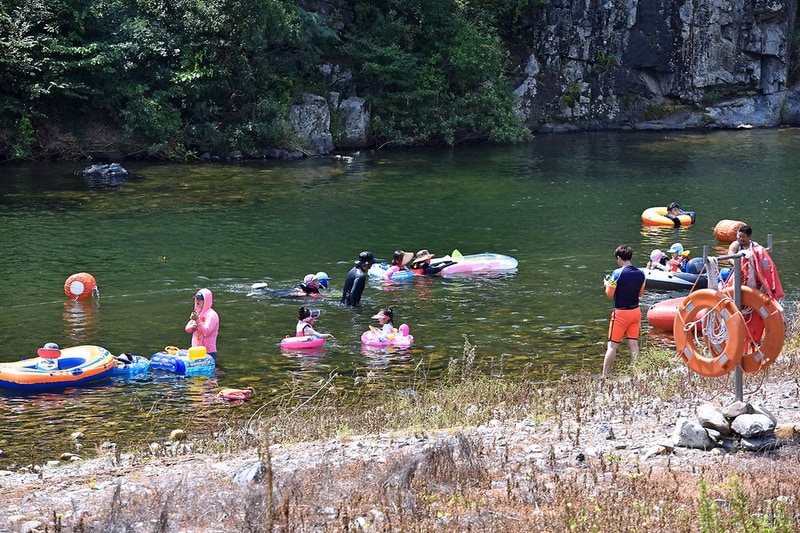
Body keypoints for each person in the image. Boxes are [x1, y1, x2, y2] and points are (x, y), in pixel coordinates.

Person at [602, 245, 646, 379]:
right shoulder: (641, 274)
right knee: (633, 344)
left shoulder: (616, 273)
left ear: (619, 258)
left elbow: (609, 294)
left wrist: (606, 284)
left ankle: (605, 376)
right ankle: (636, 374)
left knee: (612, 346)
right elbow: (640, 294)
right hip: (636, 312)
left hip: (621, 313)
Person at [725, 225, 784, 299]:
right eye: (739, 236)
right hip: (737, 273)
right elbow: (729, 258)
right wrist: (738, 265)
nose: (741, 239)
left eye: (743, 237)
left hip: (752, 274)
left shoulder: (755, 246)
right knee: (725, 273)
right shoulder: (736, 245)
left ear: (749, 237)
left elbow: (763, 260)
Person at [185, 288, 220, 357]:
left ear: (207, 300)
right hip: (195, 350)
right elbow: (187, 329)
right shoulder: (197, 313)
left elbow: (206, 332)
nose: (198, 300)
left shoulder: (212, 315)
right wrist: (192, 327)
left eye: (201, 299)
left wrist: (197, 320)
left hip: (208, 352)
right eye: (197, 298)